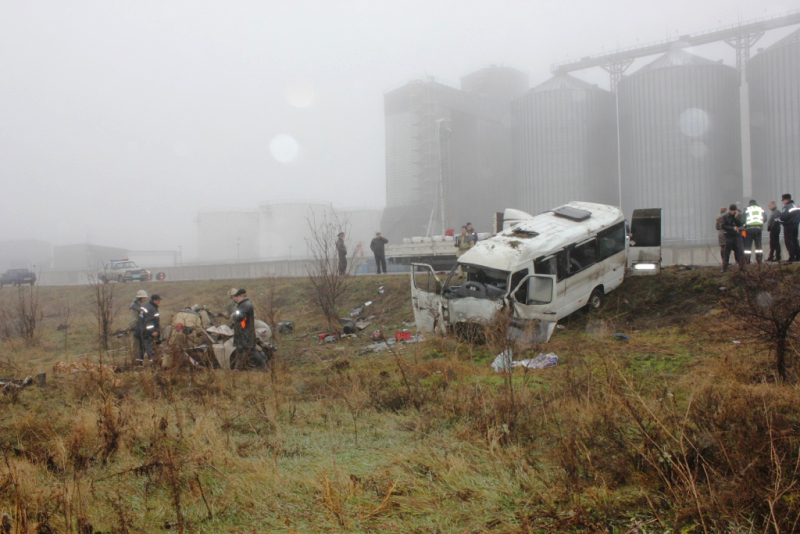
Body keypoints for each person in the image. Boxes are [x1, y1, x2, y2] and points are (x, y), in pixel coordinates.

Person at [230, 289, 265, 370]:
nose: (236, 299)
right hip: (244, 333)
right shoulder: (244, 304)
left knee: (251, 350)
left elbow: (240, 317)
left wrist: (233, 315)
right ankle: (237, 369)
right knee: (240, 351)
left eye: (237, 297)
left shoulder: (244, 305)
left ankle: (263, 367)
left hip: (245, 334)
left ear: (241, 296)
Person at [134, 294, 162, 364]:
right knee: (148, 347)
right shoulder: (152, 309)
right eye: (158, 300)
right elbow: (149, 322)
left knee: (140, 348)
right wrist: (153, 331)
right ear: (154, 300)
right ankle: (152, 362)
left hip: (139, 329)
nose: (159, 302)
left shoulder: (144, 306)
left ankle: (139, 363)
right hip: (146, 332)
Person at [720, 205, 745, 272]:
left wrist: (736, 217)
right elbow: (723, 226)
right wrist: (732, 228)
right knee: (727, 252)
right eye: (733, 210)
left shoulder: (739, 216)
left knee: (739, 252)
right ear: (730, 210)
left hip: (737, 236)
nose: (734, 212)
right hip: (729, 236)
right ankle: (724, 267)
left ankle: (741, 267)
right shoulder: (725, 217)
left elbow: (741, 224)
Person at [742, 199, 766, 264]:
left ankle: (747, 260)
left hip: (749, 229)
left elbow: (743, 219)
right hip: (758, 229)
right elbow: (765, 218)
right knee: (758, 246)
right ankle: (759, 259)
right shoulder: (760, 209)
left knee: (748, 246)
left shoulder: (747, 209)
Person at [779, 193, 800, 262]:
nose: (783, 202)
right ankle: (798, 256)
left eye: (783, 200)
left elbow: (783, 217)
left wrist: (778, 220)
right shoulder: (797, 206)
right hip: (796, 226)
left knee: (789, 242)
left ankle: (792, 257)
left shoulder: (786, 207)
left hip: (788, 226)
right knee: (795, 241)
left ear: (786, 200)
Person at [129, 289, 148, 356]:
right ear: (142, 298)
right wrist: (136, 327)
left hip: (138, 328)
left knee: (139, 347)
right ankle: (134, 361)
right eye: (145, 297)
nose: (145, 299)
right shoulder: (134, 307)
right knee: (135, 346)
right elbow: (133, 320)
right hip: (135, 329)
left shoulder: (139, 305)